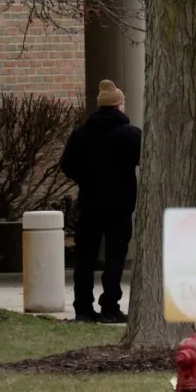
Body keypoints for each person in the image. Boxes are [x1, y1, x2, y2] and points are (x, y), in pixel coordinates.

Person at [60, 80, 141, 323]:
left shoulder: (81, 133)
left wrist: (85, 179)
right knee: (116, 258)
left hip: (90, 204)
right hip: (121, 205)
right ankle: (110, 307)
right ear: (119, 106)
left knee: (85, 257)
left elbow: (67, 165)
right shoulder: (131, 134)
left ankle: (83, 308)